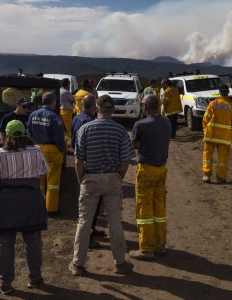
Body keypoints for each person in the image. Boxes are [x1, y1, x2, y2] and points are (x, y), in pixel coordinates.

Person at [69, 95, 136, 276]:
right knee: (114, 221)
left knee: (84, 222)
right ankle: (120, 263)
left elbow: (78, 161)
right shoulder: (120, 130)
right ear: (112, 110)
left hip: (90, 178)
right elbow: (126, 159)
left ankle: (78, 264)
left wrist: (81, 178)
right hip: (112, 178)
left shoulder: (85, 129)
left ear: (96, 109)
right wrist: (120, 176)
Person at [0, 120, 49, 295]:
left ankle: (5, 283)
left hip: (6, 205)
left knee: (5, 244)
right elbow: (43, 173)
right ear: (25, 134)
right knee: (34, 242)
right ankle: (34, 278)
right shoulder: (36, 150)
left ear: (5, 135)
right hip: (31, 202)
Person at [129, 94, 171, 260]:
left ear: (145, 106)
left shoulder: (140, 125)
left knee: (144, 208)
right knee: (159, 208)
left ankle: (146, 248)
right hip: (162, 169)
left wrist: (140, 144)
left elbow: (134, 144)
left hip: (146, 169)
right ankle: (160, 246)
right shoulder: (166, 122)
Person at [70, 94, 106, 248]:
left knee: (88, 202)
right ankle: (87, 237)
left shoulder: (76, 118)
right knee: (91, 204)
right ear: (94, 107)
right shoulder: (91, 122)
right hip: (89, 165)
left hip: (80, 161)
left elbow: (72, 141)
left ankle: (91, 230)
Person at [27, 92, 65, 217]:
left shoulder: (33, 115)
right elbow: (59, 138)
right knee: (53, 182)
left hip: (37, 148)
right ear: (53, 102)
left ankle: (37, 204)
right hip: (52, 149)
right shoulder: (55, 117)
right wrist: (61, 150)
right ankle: (51, 209)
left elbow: (29, 132)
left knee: (39, 180)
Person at [201, 84, 232, 184]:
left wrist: (206, 130)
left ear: (219, 92)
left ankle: (207, 175)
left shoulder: (212, 104)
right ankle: (221, 178)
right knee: (222, 159)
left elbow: (205, 119)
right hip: (225, 137)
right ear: (228, 93)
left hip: (211, 135)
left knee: (207, 155)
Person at [60, 78, 75, 147]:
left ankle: (63, 144)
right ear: (67, 84)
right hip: (66, 112)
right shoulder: (66, 92)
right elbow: (73, 100)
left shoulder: (59, 90)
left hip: (60, 110)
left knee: (62, 129)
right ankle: (65, 147)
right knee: (67, 130)